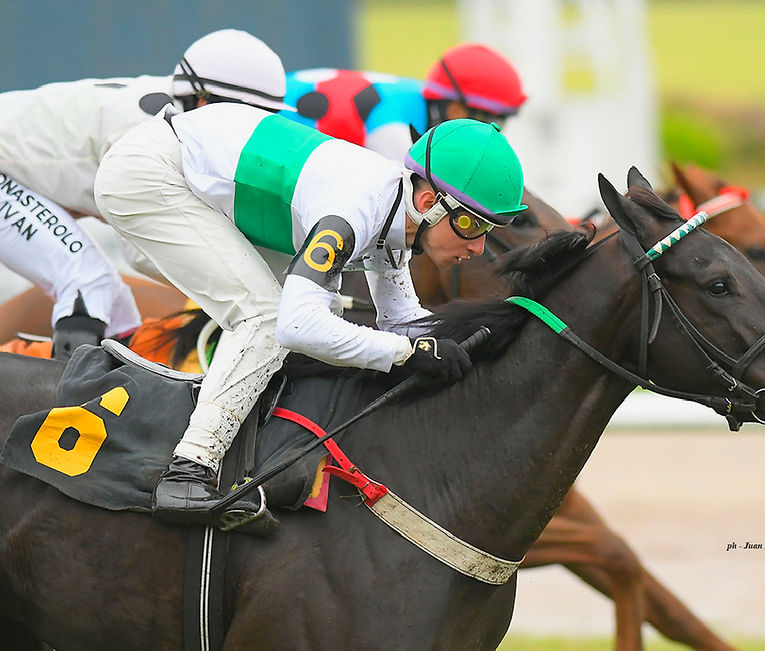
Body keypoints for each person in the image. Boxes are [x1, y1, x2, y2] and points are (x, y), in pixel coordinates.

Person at [93, 102, 526, 526]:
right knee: (267, 318)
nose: (478, 248)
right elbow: (298, 327)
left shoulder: (396, 214)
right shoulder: (357, 210)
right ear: (429, 200)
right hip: (150, 176)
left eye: (488, 231)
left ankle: (245, 453)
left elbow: (404, 323)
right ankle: (189, 472)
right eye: (471, 226)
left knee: (324, 311)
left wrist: (491, 339)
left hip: (197, 174)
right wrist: (405, 353)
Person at [0, 29, 287, 360]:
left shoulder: (181, 113)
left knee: (120, 313)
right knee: (88, 283)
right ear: (203, 100)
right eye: (240, 114)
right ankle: (67, 400)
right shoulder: (155, 130)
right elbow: (140, 249)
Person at [282, 42, 526, 163]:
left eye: (498, 121)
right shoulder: (395, 127)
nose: (490, 131)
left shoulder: (419, 101)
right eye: (487, 119)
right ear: (452, 106)